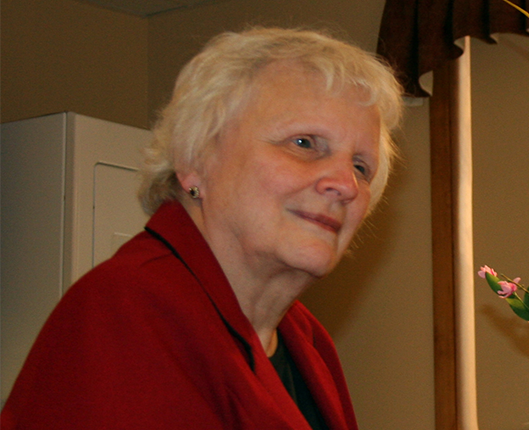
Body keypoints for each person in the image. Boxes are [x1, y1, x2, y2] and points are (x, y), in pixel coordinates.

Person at [0, 27, 403, 429]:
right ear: (195, 162)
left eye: (361, 167)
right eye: (304, 144)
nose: (346, 185)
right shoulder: (127, 310)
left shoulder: (309, 344)